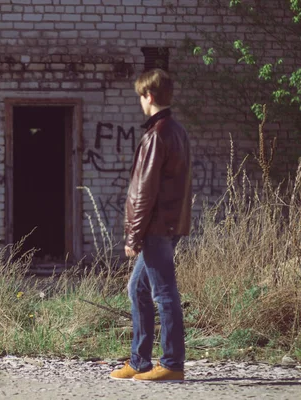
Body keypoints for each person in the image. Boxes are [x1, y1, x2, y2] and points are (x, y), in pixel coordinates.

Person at [109, 68, 192, 382]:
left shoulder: (157, 135)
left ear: (150, 96)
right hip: (169, 224)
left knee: (163, 293)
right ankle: (140, 361)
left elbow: (144, 190)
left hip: (157, 227)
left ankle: (171, 363)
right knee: (137, 289)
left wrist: (133, 234)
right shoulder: (177, 131)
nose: (140, 103)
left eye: (141, 97)